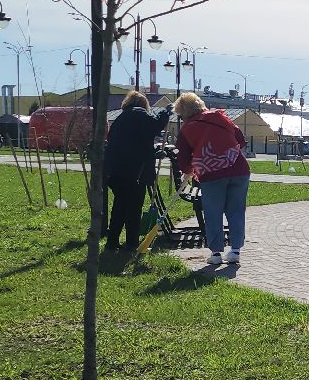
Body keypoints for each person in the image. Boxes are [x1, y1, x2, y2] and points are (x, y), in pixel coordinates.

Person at [171, 92, 250, 266]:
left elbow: (183, 158)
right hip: (239, 169)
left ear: (183, 113)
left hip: (211, 173)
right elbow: (241, 140)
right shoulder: (219, 117)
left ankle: (215, 253)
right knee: (236, 210)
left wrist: (189, 169)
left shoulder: (187, 129)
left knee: (213, 212)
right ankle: (235, 250)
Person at [103, 92, 169, 251]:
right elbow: (154, 126)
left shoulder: (121, 118)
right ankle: (132, 242)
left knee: (119, 206)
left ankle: (112, 242)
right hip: (134, 173)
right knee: (133, 208)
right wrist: (166, 112)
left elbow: (134, 143)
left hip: (115, 171)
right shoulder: (139, 114)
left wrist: (152, 153)